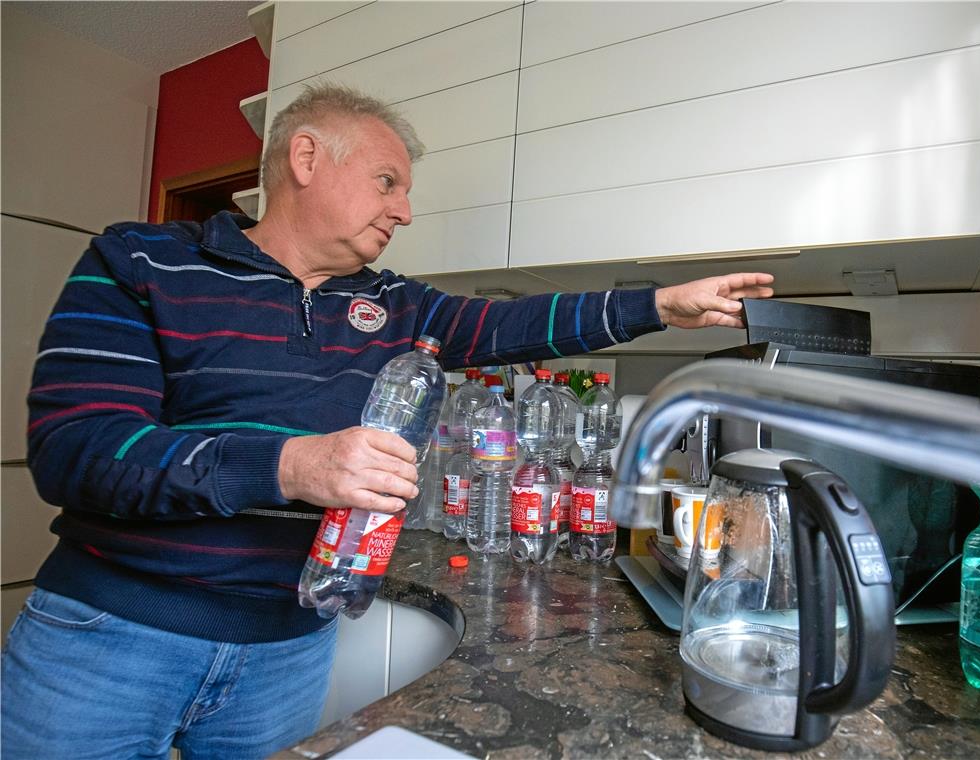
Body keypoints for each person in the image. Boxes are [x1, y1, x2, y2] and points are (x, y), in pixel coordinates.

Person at [0, 83, 774, 758]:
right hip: (111, 636)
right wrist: (291, 466)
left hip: (289, 648)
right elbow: (79, 450)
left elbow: (516, 324)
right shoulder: (140, 262)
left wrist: (659, 306)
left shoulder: (397, 305)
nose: (403, 210)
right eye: (386, 181)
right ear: (306, 158)